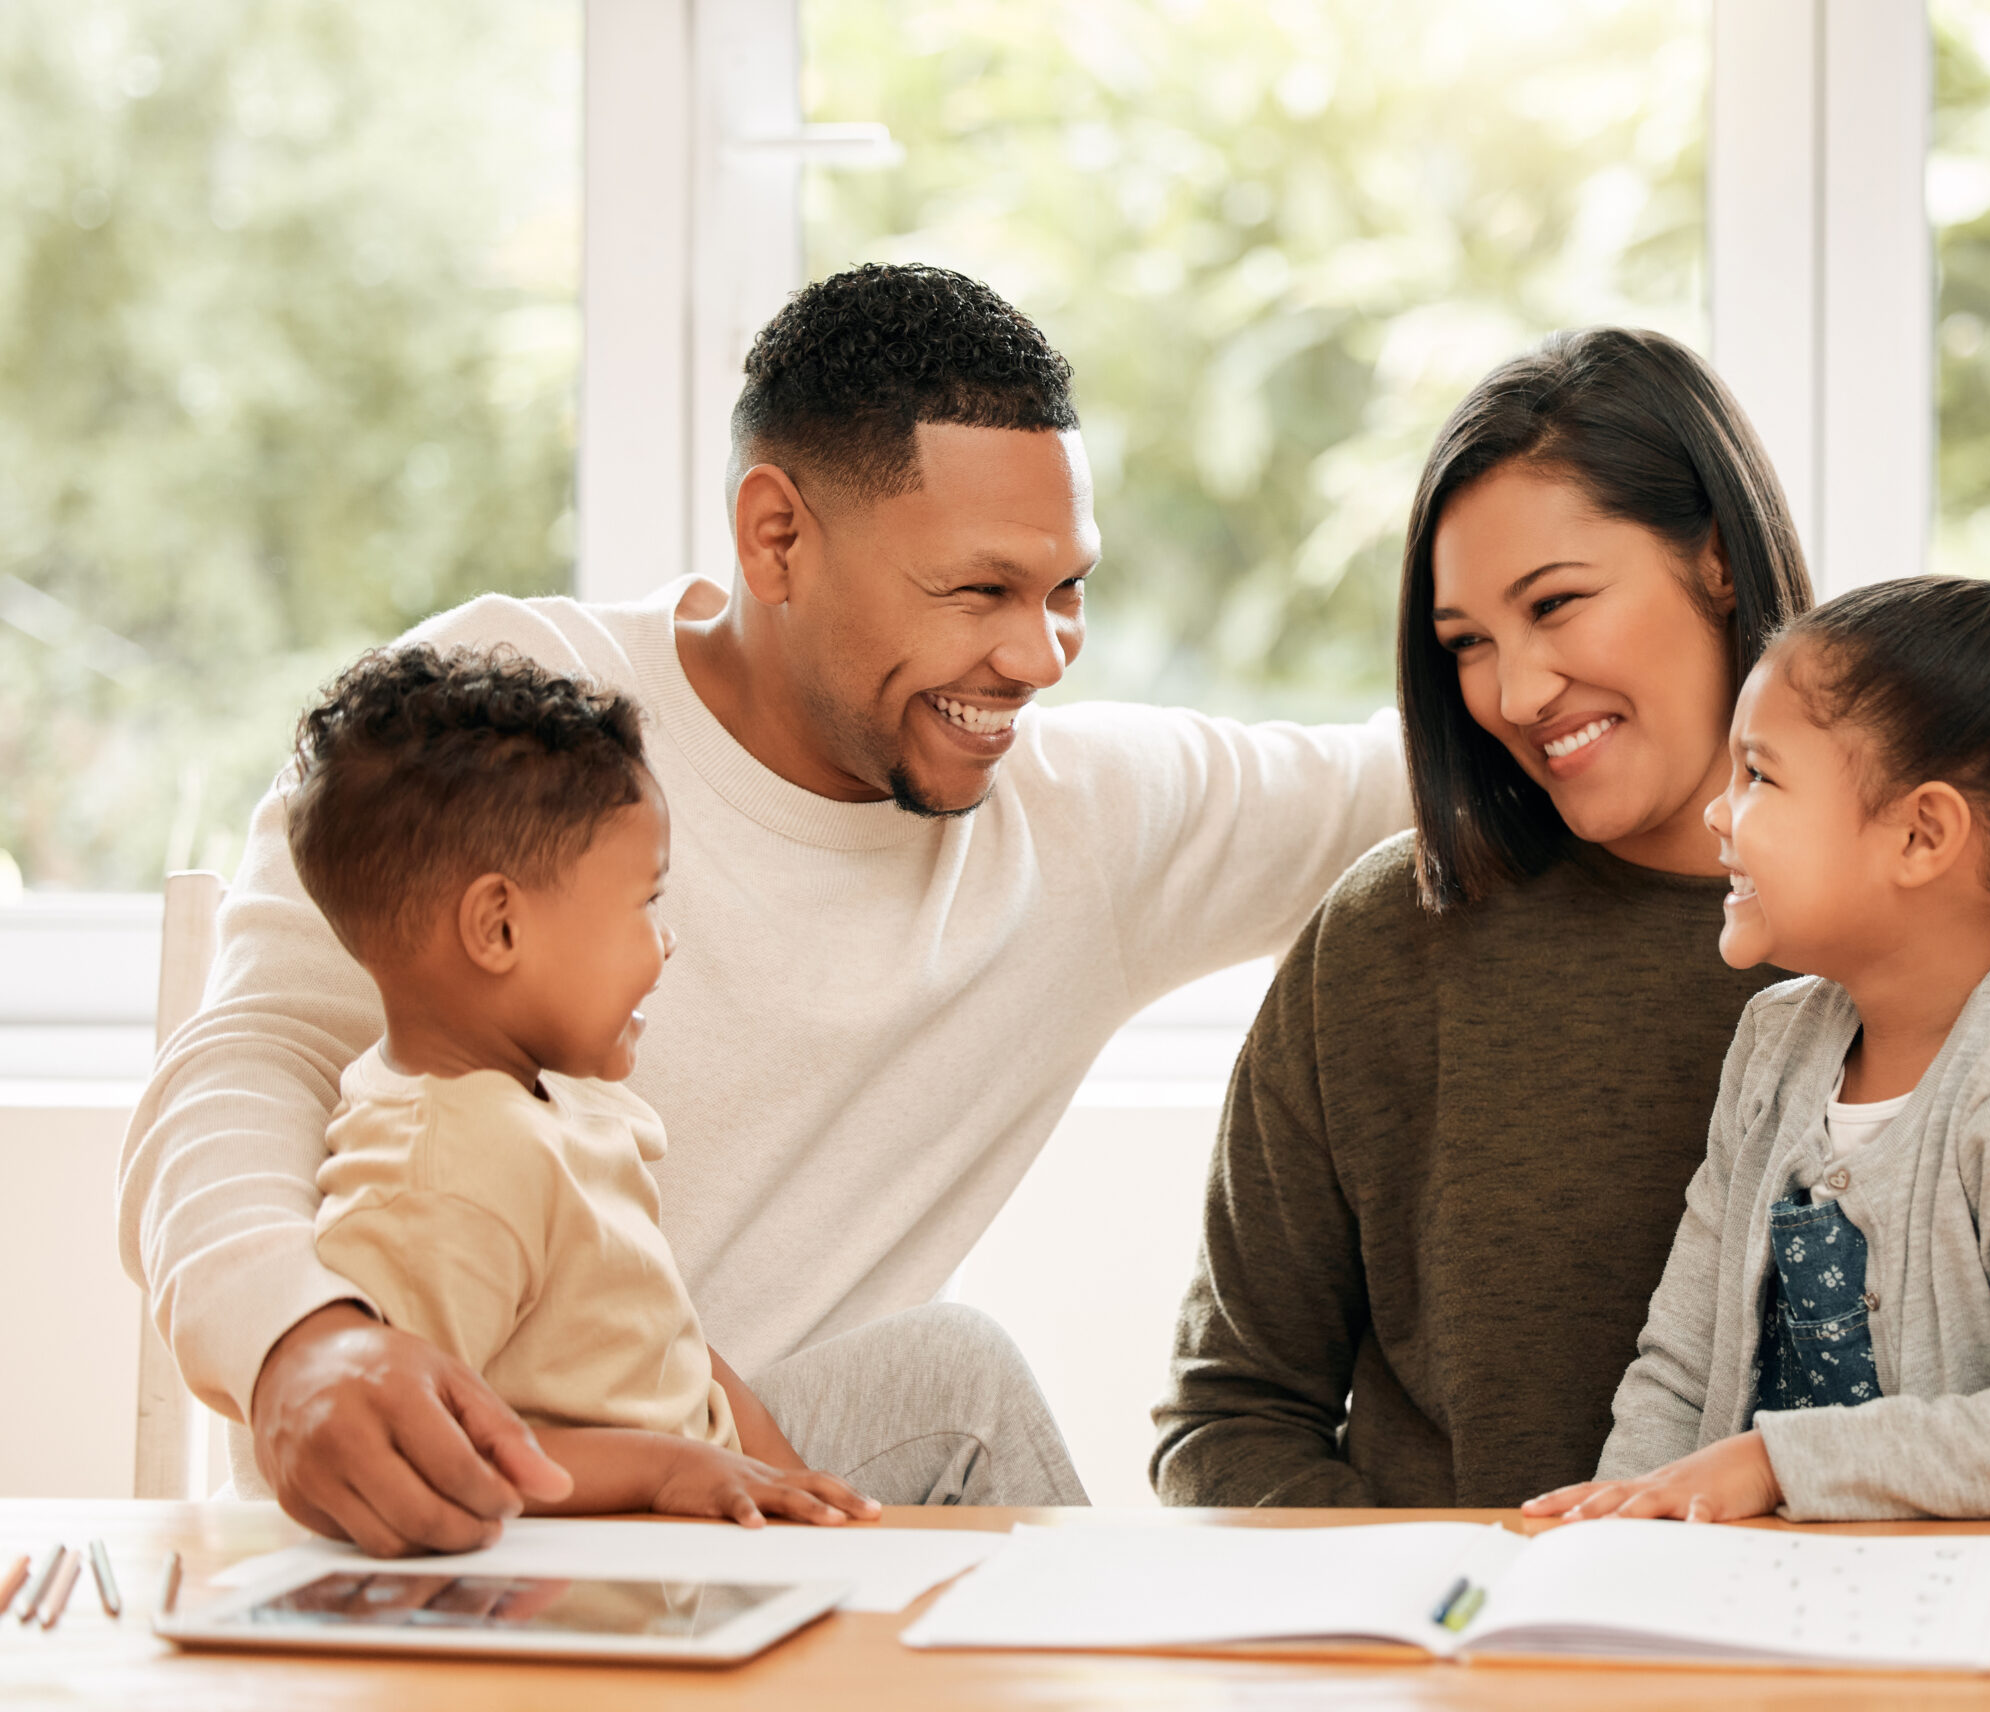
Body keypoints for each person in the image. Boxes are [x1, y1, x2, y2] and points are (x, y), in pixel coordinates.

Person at [119, 264, 1408, 1556]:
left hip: (740, 1507)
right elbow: (248, 1055)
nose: (1038, 657)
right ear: (774, 537)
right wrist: (298, 1341)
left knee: (947, 1383)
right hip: (440, 1521)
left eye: (1066, 590)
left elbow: (1399, 781)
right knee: (953, 1377)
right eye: (979, 593)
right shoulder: (509, 722)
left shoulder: (1084, 822)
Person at [1149, 327, 1817, 1508]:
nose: (1513, 694)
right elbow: (1230, 1414)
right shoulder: (1382, 941)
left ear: (1717, 559)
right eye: (1466, 644)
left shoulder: (1974, 938)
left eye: (1555, 603)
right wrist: (1428, 1620)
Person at [289, 645, 1081, 1525]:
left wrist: (782, 1475)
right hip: (613, 1550)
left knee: (956, 1363)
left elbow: (673, 1340)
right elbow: (418, 1448)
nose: (664, 942)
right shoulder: (443, 1168)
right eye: (643, 903)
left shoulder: (536, 1099)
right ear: (498, 927)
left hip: (697, 1484)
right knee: (961, 1385)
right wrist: (666, 1471)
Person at [1524, 566, 1990, 1525]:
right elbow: (1678, 1368)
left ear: (1921, 835)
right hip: (1807, 1616)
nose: (1720, 811)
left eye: (1759, 775)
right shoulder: (1773, 1045)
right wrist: (1618, 1529)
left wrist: (1770, 1464)